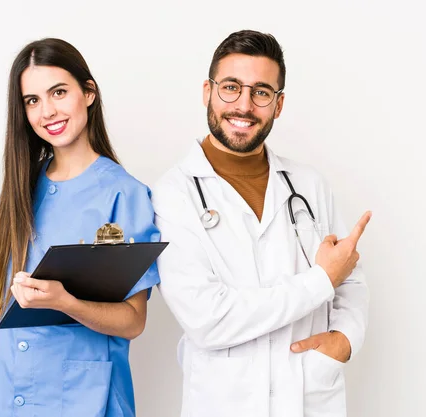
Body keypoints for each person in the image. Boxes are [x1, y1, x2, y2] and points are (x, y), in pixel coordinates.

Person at [152, 29, 371, 417]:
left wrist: (345, 340)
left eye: (261, 92)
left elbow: (349, 278)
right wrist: (320, 280)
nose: (244, 105)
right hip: (223, 402)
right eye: (231, 87)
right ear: (207, 91)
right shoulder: (174, 193)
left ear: (279, 104)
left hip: (309, 397)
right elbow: (207, 319)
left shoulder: (308, 185)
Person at [0, 38, 160, 417]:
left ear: (88, 92)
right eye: (32, 100)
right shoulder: (19, 189)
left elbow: (133, 321)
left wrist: (66, 303)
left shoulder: (124, 194)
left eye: (59, 92)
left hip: (82, 399)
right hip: (7, 388)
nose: (48, 111)